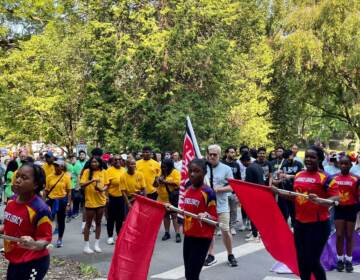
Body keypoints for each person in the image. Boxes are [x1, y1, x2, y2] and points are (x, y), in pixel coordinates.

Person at [271, 146, 339, 280]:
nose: (308, 159)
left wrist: (319, 200)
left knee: (312, 261)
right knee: (302, 261)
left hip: (318, 225)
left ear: (319, 159)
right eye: (306, 156)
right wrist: (278, 192)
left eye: (312, 157)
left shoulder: (326, 178)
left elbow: (336, 198)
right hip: (300, 224)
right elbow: (295, 196)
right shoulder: (298, 175)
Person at [1, 162, 52, 280]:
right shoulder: (11, 201)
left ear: (35, 185)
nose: (18, 180)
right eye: (17, 176)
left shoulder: (40, 209)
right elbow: (8, 227)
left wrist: (33, 243)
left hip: (34, 263)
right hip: (15, 260)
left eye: (24, 178)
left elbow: (45, 240)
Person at [182, 159, 217, 280]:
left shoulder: (208, 192)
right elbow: (185, 211)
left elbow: (214, 217)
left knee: (193, 274)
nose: (192, 174)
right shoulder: (187, 189)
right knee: (188, 273)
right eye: (190, 171)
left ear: (204, 173)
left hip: (202, 238)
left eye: (196, 171)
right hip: (188, 236)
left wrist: (206, 215)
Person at [204, 144, 237, 267]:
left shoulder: (226, 169)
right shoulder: (203, 167)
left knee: (225, 231)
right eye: (210, 154)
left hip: (222, 206)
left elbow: (232, 186)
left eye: (215, 155)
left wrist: (219, 189)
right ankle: (211, 255)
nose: (212, 156)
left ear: (219, 155)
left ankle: (230, 254)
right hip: (207, 206)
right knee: (209, 232)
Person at [330, 156, 360, 272]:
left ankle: (349, 260)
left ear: (350, 165)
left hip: (351, 209)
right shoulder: (334, 178)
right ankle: (339, 259)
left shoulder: (356, 178)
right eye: (342, 164)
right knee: (339, 235)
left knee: (349, 236)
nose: (343, 166)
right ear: (339, 165)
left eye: (346, 164)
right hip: (339, 209)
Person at [80, 157, 108, 254]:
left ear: (99, 163)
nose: (94, 163)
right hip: (90, 201)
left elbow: (107, 184)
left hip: (101, 200)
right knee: (88, 224)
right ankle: (86, 246)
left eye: (96, 162)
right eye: (92, 162)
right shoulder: (86, 171)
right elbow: (82, 184)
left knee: (99, 223)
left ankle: (96, 245)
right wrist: (92, 181)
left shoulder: (104, 172)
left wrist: (102, 189)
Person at [45, 159, 71, 248]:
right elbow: (46, 190)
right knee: (48, 220)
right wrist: (44, 201)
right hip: (51, 200)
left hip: (62, 200)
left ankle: (60, 239)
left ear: (62, 167)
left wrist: (68, 204)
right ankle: (47, 239)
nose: (56, 167)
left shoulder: (66, 177)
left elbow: (69, 192)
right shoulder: (49, 177)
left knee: (61, 220)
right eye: (55, 165)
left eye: (58, 165)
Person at [156, 158, 181, 243]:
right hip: (162, 198)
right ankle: (167, 233)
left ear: (170, 166)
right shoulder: (161, 172)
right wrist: (157, 180)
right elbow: (155, 184)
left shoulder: (175, 172)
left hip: (172, 198)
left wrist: (165, 182)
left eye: (165, 167)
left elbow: (177, 183)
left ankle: (177, 233)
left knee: (174, 215)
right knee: (165, 216)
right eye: (162, 166)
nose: (163, 168)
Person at [242, 153, 265, 242]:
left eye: (243, 163)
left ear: (245, 161)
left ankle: (255, 235)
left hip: (254, 195)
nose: (243, 165)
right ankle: (258, 233)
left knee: (253, 215)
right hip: (261, 193)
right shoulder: (258, 166)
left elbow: (249, 184)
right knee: (259, 216)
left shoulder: (249, 169)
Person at [106, 155, 127, 245]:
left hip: (122, 198)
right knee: (111, 218)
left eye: (119, 159)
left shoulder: (124, 170)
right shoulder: (109, 171)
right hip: (112, 197)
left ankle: (119, 235)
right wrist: (106, 197)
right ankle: (110, 237)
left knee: (120, 218)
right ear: (112, 161)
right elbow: (106, 185)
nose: (118, 161)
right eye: (115, 160)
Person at [221, 145, 241, 235]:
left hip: (233, 191)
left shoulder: (236, 165)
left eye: (234, 152)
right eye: (231, 152)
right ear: (226, 153)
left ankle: (232, 227)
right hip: (222, 191)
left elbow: (238, 179)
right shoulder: (221, 164)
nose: (232, 154)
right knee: (222, 210)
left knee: (233, 210)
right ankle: (220, 227)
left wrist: (238, 192)